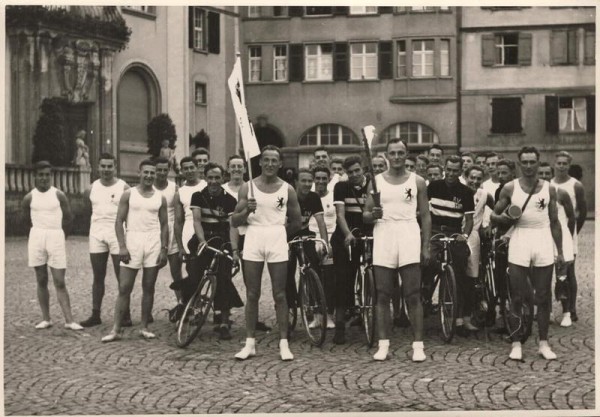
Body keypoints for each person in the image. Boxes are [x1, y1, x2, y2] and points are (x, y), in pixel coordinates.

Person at [491, 146, 563, 360]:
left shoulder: (549, 189)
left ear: (539, 162)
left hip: (542, 238)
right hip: (520, 238)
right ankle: (515, 343)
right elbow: (494, 215)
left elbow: (555, 222)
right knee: (517, 296)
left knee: (542, 296)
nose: (530, 166)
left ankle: (543, 343)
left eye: (533, 162)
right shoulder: (510, 188)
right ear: (519, 163)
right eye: (526, 162)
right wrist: (505, 219)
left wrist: (559, 252)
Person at [363, 139, 431, 362]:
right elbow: (365, 214)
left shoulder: (418, 181)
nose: (397, 157)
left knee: (412, 293)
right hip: (384, 233)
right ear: (386, 156)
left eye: (401, 153)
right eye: (393, 153)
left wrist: (426, 245)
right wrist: (373, 215)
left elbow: (426, 215)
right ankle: (383, 345)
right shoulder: (375, 182)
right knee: (382, 293)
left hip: (409, 232)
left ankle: (418, 345)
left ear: (407, 154)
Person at [232, 145, 302, 361]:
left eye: (274, 160)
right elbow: (234, 221)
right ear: (260, 162)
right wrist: (247, 211)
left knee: (280, 293)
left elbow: (297, 221)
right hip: (253, 236)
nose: (270, 164)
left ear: (280, 164)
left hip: (276, 236)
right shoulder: (247, 188)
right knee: (252, 293)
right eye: (266, 160)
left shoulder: (287, 189)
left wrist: (280, 234)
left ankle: (283, 343)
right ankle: (250, 343)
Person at [102, 159, 168, 342]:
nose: (148, 176)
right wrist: (122, 246)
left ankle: (144, 327)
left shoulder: (159, 197)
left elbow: (164, 225)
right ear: (139, 173)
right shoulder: (129, 194)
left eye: (152, 173)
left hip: (153, 241)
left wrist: (164, 248)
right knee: (124, 287)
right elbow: (118, 222)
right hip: (133, 240)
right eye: (145, 172)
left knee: (149, 287)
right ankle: (116, 329)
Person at [22, 161, 83, 331]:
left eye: (47, 175)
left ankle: (69, 320)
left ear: (51, 176)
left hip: (56, 236)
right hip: (36, 236)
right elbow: (25, 221)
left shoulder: (59, 195)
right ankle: (46, 318)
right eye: (40, 175)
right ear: (35, 176)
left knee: (59, 280)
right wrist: (34, 237)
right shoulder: (29, 197)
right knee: (41, 279)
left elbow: (69, 218)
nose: (44, 178)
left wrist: (61, 236)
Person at [187, 162, 244, 340]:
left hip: (223, 240)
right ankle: (190, 308)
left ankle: (224, 320)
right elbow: (196, 221)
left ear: (223, 178)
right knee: (195, 276)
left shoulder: (229, 200)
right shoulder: (197, 196)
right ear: (205, 178)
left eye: (217, 178)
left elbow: (233, 225)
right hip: (204, 238)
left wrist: (235, 250)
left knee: (223, 278)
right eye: (210, 178)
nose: (213, 181)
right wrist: (202, 241)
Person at [422, 156, 474, 332]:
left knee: (461, 268)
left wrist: (464, 235)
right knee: (426, 260)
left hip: (454, 232)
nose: (451, 173)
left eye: (455, 170)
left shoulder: (466, 192)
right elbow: (423, 212)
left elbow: (468, 219)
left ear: (460, 171)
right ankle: (425, 291)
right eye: (449, 169)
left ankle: (457, 314)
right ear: (444, 168)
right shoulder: (434, 187)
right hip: (435, 231)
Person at [80, 153, 131, 327]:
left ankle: (126, 314)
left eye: (110, 166)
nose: (106, 170)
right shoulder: (91, 188)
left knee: (121, 276)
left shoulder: (123, 187)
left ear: (115, 167)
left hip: (117, 234)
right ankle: (96, 314)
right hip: (97, 233)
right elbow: (87, 210)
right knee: (98, 275)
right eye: (103, 166)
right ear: (98, 167)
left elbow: (129, 213)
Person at [223, 155, 271, 332]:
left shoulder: (253, 187)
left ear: (244, 169)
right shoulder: (222, 189)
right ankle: (224, 316)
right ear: (227, 169)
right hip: (226, 236)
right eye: (233, 166)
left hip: (249, 235)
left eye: (240, 166)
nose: (236, 169)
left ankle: (254, 317)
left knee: (251, 280)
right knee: (224, 276)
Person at [331, 155, 372, 344]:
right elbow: (340, 215)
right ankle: (340, 324)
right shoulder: (341, 187)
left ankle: (370, 316)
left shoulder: (372, 186)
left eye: (357, 170)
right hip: (345, 237)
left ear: (362, 169)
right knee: (342, 279)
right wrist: (347, 234)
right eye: (350, 172)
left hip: (366, 234)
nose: (354, 175)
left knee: (373, 272)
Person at [286, 168, 331, 329]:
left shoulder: (313, 197)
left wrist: (325, 243)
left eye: (309, 181)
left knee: (314, 268)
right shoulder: (288, 196)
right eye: (303, 181)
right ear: (296, 182)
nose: (307, 184)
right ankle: (289, 307)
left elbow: (321, 221)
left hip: (305, 234)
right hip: (287, 235)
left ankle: (317, 310)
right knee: (287, 272)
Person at [551, 151, 586, 325]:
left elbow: (581, 212)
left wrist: (572, 234)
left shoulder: (576, 185)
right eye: (559, 163)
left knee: (569, 272)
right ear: (554, 164)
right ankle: (549, 308)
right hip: (552, 233)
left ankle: (571, 308)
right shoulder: (549, 185)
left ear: (569, 165)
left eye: (565, 163)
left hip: (568, 232)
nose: (562, 166)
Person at [463, 165, 494, 332]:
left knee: (470, 279)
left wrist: (489, 225)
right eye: (471, 177)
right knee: (456, 275)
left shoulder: (484, 195)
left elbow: (497, 210)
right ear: (465, 176)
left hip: (473, 236)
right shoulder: (459, 191)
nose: (474, 181)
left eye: (478, 179)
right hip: (457, 233)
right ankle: (454, 316)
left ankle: (467, 317)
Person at [153, 156, 183, 313]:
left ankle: (182, 304)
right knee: (150, 272)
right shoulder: (148, 186)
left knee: (176, 272)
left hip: (171, 230)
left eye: (165, 170)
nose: (162, 173)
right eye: (159, 170)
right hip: (152, 231)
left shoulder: (174, 188)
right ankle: (148, 310)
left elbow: (179, 214)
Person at [309, 166, 337, 329]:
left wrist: (330, 243)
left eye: (323, 178)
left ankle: (329, 315)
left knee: (329, 279)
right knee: (313, 277)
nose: (320, 181)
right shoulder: (310, 196)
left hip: (330, 238)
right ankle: (316, 315)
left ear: (328, 179)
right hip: (312, 237)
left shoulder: (333, 197)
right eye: (317, 178)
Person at [174, 157, 207, 258]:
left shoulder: (206, 185)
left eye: (192, 167)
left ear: (197, 168)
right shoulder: (180, 192)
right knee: (192, 269)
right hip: (189, 231)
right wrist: (180, 248)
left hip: (207, 228)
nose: (189, 171)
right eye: (186, 168)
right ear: (182, 171)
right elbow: (178, 222)